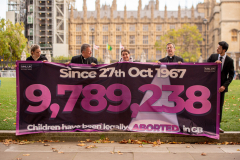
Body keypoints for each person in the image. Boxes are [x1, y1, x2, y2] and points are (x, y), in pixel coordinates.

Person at [207, 41, 234, 133]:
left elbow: (231, 76)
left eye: (219, 48)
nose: (217, 49)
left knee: (219, 107)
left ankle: (217, 126)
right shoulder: (213, 57)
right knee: (209, 106)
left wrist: (224, 86)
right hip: (210, 87)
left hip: (221, 88)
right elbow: (205, 68)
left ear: (224, 50)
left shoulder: (230, 61)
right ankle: (208, 125)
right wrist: (214, 65)